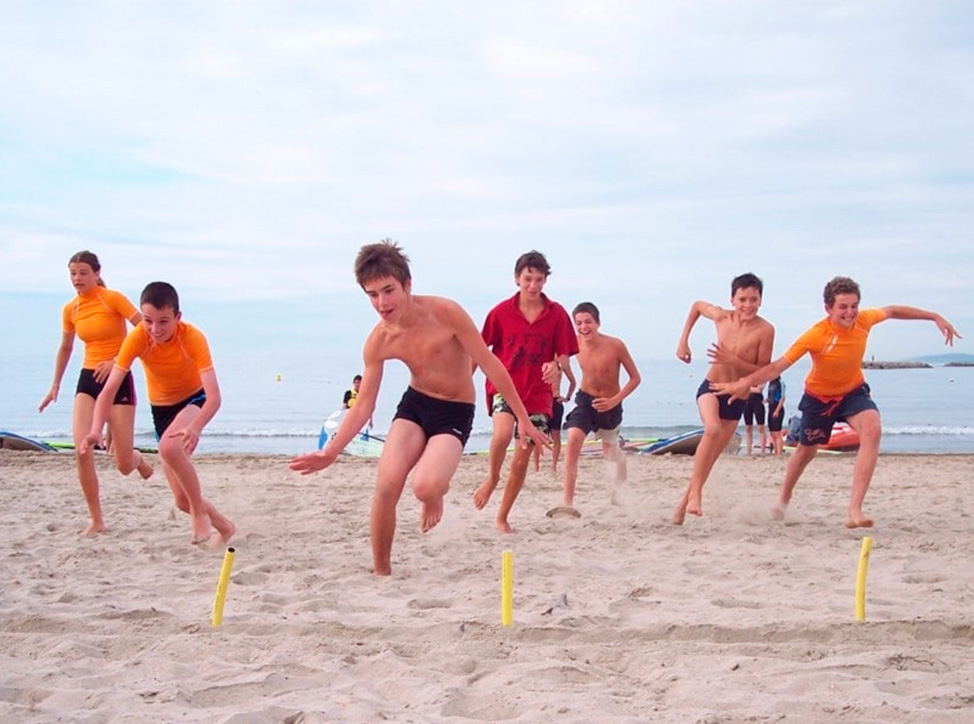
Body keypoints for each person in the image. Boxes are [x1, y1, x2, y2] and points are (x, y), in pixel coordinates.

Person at [289, 241, 548, 575]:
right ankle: (381, 571)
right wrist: (331, 451)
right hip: (415, 404)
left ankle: (433, 495)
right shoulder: (379, 340)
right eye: (372, 295)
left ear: (407, 285)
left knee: (425, 486)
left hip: (454, 410)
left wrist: (523, 419)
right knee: (386, 485)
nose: (382, 303)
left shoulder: (446, 313)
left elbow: (490, 363)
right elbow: (365, 403)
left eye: (388, 291)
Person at [712, 276, 960, 528]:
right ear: (828, 308)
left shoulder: (865, 320)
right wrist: (743, 383)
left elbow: (893, 310)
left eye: (854, 306)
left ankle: (854, 509)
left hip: (853, 392)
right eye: (843, 307)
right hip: (818, 399)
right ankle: (783, 500)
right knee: (805, 452)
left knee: (872, 429)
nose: (850, 312)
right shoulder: (816, 335)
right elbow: (776, 367)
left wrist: (934, 316)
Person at [80, 282, 235, 546]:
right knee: (182, 501)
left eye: (163, 321)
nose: (155, 329)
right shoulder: (138, 337)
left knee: (169, 448)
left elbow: (214, 397)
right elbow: (108, 391)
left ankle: (199, 512)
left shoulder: (192, 337)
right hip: (162, 411)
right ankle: (225, 527)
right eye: (148, 321)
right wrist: (95, 430)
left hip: (194, 400)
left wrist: (196, 427)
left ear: (177, 317)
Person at [38, 251, 153, 536]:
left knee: (123, 464)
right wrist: (55, 385)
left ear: (96, 273)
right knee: (82, 450)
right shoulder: (71, 309)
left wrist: (116, 361)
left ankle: (137, 459)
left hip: (117, 377)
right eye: (72, 273)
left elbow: (145, 329)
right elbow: (66, 348)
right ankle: (97, 520)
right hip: (88, 380)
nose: (77, 278)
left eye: (83, 273)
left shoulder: (112, 298)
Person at [472, 250, 578, 533]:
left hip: (538, 395)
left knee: (521, 457)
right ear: (517, 278)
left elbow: (563, 355)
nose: (533, 285)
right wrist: (462, 385)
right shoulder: (500, 313)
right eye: (528, 279)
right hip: (504, 386)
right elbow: (479, 350)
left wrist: (556, 366)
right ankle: (492, 476)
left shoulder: (557, 314)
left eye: (539, 280)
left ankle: (502, 517)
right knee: (502, 434)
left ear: (545, 280)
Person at [672, 273, 775, 524]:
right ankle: (696, 495)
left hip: (736, 397)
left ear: (761, 300)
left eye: (753, 299)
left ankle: (683, 506)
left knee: (710, 458)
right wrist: (683, 341)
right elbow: (697, 306)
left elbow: (763, 371)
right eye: (742, 299)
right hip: (712, 387)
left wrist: (733, 361)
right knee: (712, 429)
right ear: (733, 300)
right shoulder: (722, 317)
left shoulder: (765, 330)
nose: (748, 305)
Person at [560, 302, 641, 510]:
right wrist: (558, 388)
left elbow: (635, 378)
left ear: (597, 323)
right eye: (579, 323)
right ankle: (567, 504)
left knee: (610, 454)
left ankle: (619, 484)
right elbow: (556, 362)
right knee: (573, 440)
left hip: (611, 405)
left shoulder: (615, 345)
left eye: (588, 322)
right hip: (585, 401)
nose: (583, 327)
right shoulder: (573, 343)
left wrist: (615, 400)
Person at [532, 355, 574, 476]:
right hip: (543, 401)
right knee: (539, 433)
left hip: (556, 401)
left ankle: (554, 465)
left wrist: (567, 397)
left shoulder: (562, 363)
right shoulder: (542, 360)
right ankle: (536, 465)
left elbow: (573, 382)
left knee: (556, 434)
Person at [742, 383, 768, 454]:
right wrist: (747, 388)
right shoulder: (747, 378)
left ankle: (762, 451)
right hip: (747, 402)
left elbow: (759, 389)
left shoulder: (760, 378)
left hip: (758, 402)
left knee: (760, 427)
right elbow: (743, 388)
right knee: (748, 428)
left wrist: (748, 388)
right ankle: (749, 451)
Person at [766, 376, 786, 455]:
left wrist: (777, 410)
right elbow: (771, 397)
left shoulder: (780, 383)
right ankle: (775, 451)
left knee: (777, 433)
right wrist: (766, 400)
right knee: (772, 433)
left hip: (778, 408)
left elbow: (782, 398)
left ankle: (779, 453)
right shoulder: (770, 383)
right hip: (771, 408)